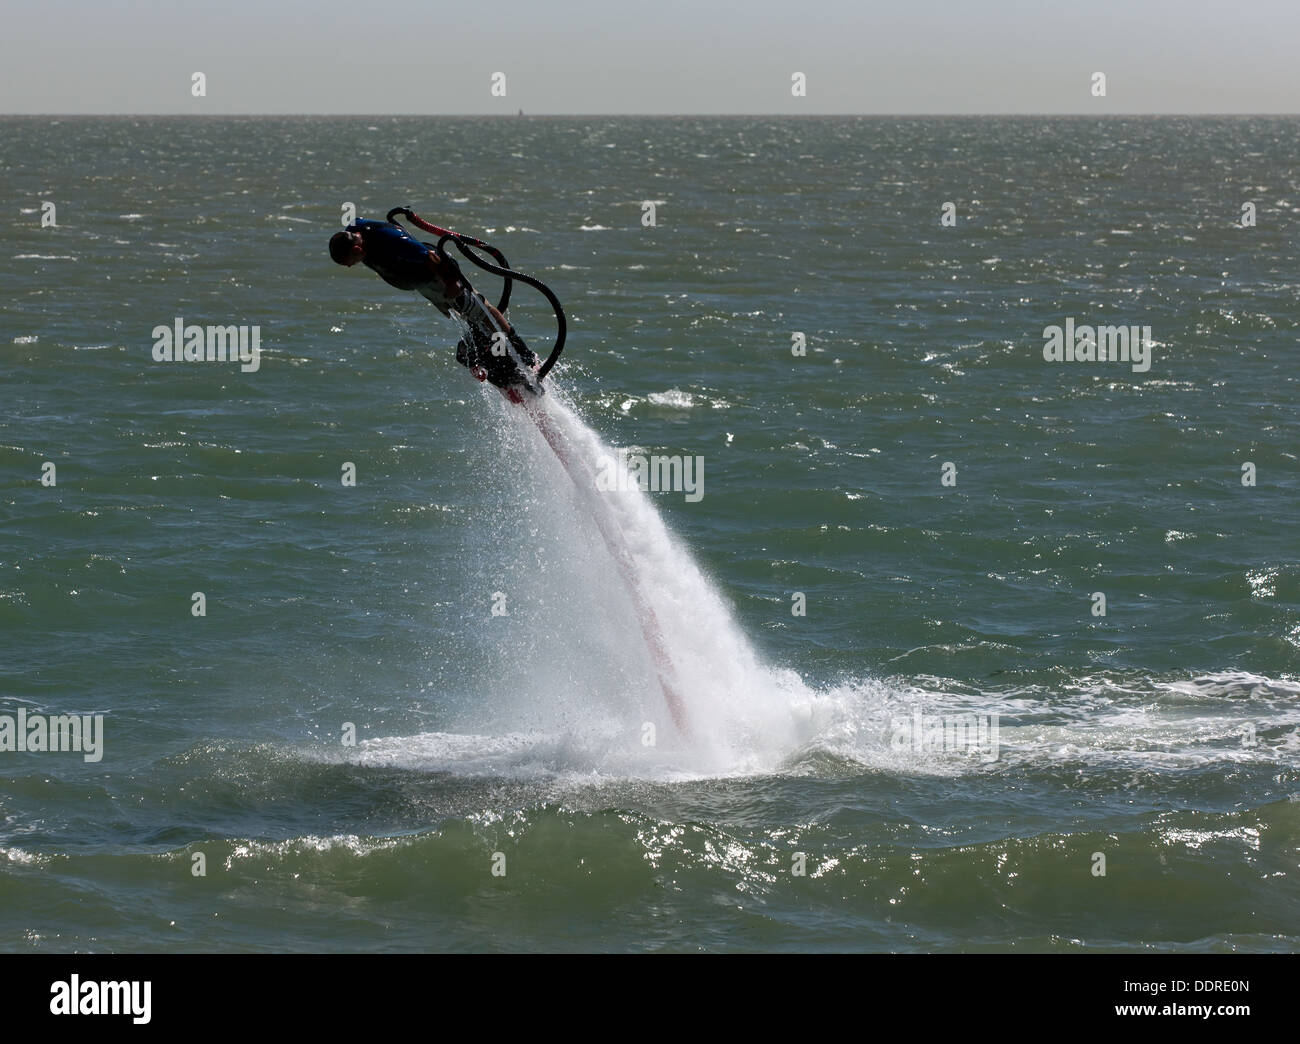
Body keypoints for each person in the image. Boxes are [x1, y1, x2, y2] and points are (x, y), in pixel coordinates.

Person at [329, 215, 539, 394]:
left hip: (440, 277)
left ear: (357, 247)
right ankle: (501, 370)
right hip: (424, 284)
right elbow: (361, 220)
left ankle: (524, 357)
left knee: (480, 311)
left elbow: (430, 257)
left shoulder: (392, 242)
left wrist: (452, 284)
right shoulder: (354, 229)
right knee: (469, 332)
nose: (349, 266)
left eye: (350, 260)